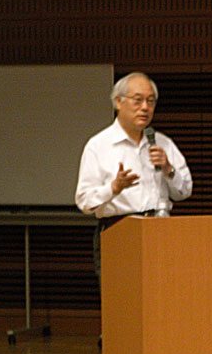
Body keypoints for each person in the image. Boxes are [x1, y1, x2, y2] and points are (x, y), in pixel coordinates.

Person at [75, 72, 193, 287]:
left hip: (161, 232)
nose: (145, 108)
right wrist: (114, 188)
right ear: (118, 102)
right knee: (122, 300)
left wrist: (168, 169)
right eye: (138, 100)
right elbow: (84, 201)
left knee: (164, 297)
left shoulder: (163, 143)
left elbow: (184, 191)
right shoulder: (98, 146)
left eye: (151, 101)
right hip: (118, 233)